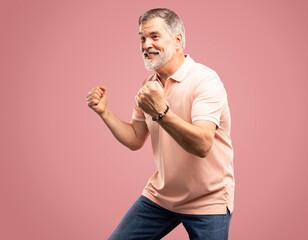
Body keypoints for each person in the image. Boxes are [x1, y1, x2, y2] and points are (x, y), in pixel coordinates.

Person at [87, 8, 235, 240]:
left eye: (155, 36)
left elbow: (203, 144)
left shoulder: (205, 81)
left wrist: (161, 112)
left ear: (178, 40)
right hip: (162, 195)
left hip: (208, 200)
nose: (146, 44)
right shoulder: (149, 85)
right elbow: (135, 138)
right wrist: (104, 112)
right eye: (142, 38)